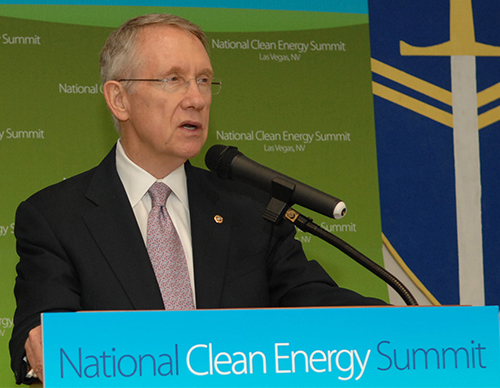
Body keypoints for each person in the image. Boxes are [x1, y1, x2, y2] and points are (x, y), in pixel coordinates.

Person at [9, 13, 386, 385]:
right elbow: (38, 333)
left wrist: (410, 328)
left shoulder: (250, 209)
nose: (196, 99)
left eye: (203, 81)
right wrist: (43, 351)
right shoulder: (55, 217)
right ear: (119, 99)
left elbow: (314, 302)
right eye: (173, 79)